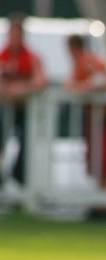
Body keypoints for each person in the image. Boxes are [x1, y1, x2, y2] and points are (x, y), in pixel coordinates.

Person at [64, 34, 106, 189]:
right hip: (96, 118)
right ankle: (102, 201)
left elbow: (103, 80)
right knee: (97, 162)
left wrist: (83, 88)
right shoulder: (80, 63)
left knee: (105, 163)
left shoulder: (87, 61)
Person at [0, 13, 47, 187]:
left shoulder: (32, 57)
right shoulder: (3, 55)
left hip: (23, 110)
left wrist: (21, 89)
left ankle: (20, 181)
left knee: (25, 147)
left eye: (17, 34)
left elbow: (41, 80)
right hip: (3, 109)